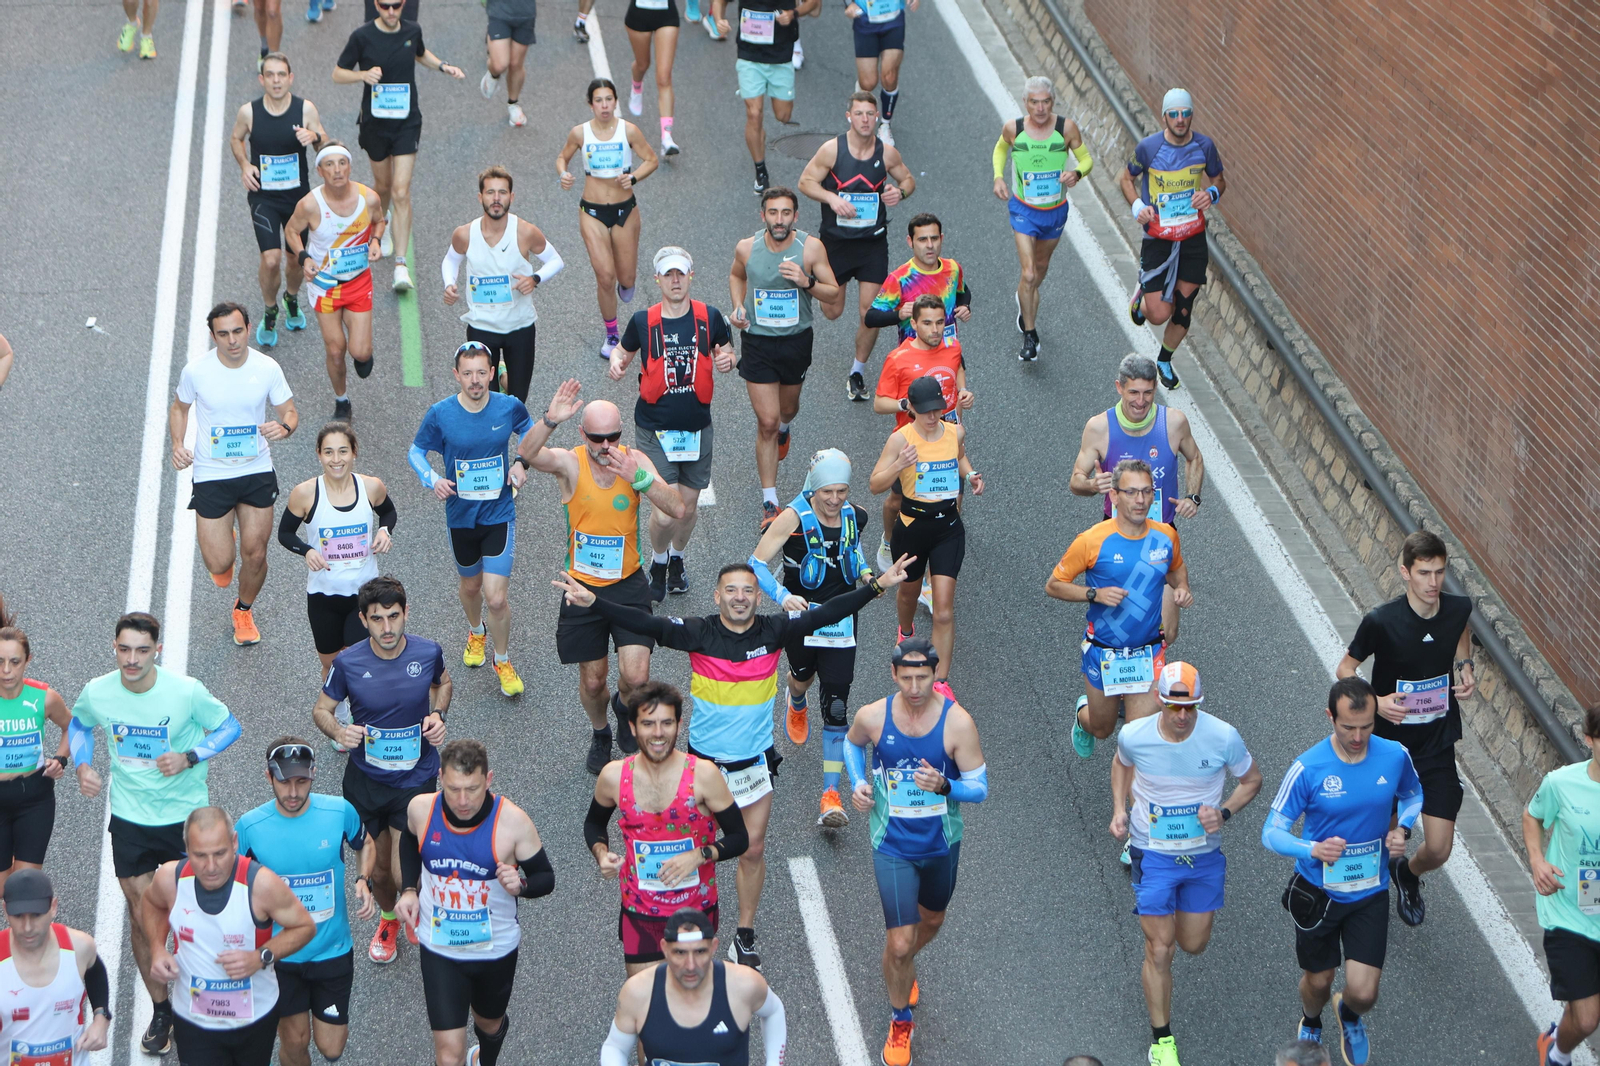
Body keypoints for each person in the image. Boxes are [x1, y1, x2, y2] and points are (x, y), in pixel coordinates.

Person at [555, 554, 915, 971]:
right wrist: (594, 603)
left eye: (747, 590)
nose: (740, 598)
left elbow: (830, 612)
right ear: (717, 596)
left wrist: (879, 584)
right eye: (731, 590)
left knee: (751, 848)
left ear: (758, 596)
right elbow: (647, 624)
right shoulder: (697, 632)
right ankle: (679, 920)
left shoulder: (776, 629)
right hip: (703, 767)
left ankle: (743, 934)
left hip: (753, 765)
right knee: (689, 849)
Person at [70, 612, 243, 1056]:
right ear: (114, 647)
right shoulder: (98, 691)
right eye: (124, 649)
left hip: (185, 820)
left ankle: (208, 993)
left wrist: (190, 755)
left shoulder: (185, 692)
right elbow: (79, 724)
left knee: (199, 910)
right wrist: (84, 764)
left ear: (157, 651)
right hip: (130, 819)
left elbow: (229, 727)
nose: (132, 659)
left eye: (142, 651)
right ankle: (163, 1009)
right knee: (143, 918)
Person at [520, 380, 685, 772]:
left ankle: (623, 708)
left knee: (636, 677)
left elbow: (677, 508)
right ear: (583, 434)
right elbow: (527, 454)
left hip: (627, 584)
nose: (606, 445)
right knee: (594, 680)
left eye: (613, 436)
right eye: (598, 437)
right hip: (582, 586)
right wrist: (548, 420)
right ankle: (600, 731)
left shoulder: (634, 461)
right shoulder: (571, 462)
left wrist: (639, 478)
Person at [1262, 676, 1421, 1066]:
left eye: (1366, 727)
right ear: (1330, 717)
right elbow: (1271, 832)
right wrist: (1312, 848)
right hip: (1319, 891)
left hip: (1370, 890)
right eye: (1348, 727)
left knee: (1364, 993)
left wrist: (1402, 829)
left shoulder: (1394, 754)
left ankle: (1347, 1014)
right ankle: (1312, 1020)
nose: (1357, 736)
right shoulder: (1308, 767)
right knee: (1318, 980)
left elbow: (1413, 794)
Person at [844, 637, 987, 1066]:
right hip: (891, 844)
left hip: (941, 842)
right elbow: (852, 744)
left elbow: (980, 788)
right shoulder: (873, 716)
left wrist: (946, 786)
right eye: (905, 677)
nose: (914, 687)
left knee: (932, 921)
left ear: (934, 675)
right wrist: (857, 782)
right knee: (902, 942)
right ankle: (900, 1018)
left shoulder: (957, 724)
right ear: (894, 674)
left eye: (922, 678)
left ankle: (901, 965)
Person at [1110, 662, 1261, 1066]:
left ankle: (1170, 913)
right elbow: (1122, 763)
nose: (1182, 717)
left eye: (1190, 707)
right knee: (1161, 948)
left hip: (1201, 853)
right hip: (1152, 850)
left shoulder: (1223, 736)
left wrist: (1224, 813)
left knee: (1193, 943)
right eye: (1175, 708)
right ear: (1159, 701)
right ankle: (1162, 1040)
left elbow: (1252, 781)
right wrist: (1119, 810)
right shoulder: (1134, 735)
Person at [1335, 529, 1473, 929]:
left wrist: (1464, 668)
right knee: (1385, 837)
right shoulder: (1381, 620)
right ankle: (1366, 901)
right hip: (1387, 747)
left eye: (1440, 573)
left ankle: (1408, 875)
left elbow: (1462, 630)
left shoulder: (1457, 608)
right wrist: (1376, 702)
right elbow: (1345, 669)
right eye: (1425, 573)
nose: (1434, 583)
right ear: (1405, 572)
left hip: (1435, 744)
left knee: (1439, 847)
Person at [312, 576, 451, 965]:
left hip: (415, 777)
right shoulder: (348, 662)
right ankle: (389, 917)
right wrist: (340, 730)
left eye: (394, 616)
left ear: (406, 613)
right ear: (363, 620)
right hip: (366, 782)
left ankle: (415, 903)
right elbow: (320, 710)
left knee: (401, 866)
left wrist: (438, 714)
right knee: (380, 875)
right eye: (377, 619)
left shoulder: (427, 653)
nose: (387, 628)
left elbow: (444, 684)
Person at [396, 740, 554, 1066]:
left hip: (494, 949)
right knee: (449, 1055)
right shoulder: (421, 809)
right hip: (440, 947)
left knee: (489, 1025)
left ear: (489, 779)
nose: (463, 800)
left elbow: (545, 877)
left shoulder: (513, 822)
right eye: (454, 789)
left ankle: (486, 1059)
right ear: (440, 777)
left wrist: (521, 885)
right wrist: (409, 890)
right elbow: (410, 840)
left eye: (473, 788)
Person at [585, 682, 749, 972]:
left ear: (679, 725)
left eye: (666, 723)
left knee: (690, 1004)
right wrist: (601, 853)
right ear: (633, 727)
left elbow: (739, 838)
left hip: (695, 909)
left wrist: (699, 855)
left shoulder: (703, 775)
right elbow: (594, 824)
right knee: (647, 1005)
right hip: (639, 910)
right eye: (648, 723)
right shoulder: (614, 777)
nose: (658, 733)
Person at [749, 448, 875, 827]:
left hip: (842, 622)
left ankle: (830, 794)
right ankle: (797, 697)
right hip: (802, 619)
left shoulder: (855, 514)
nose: (835, 500)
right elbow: (756, 564)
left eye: (842, 491)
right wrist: (782, 597)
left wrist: (867, 573)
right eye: (827, 493)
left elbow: (852, 548)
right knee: (802, 676)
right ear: (814, 489)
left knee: (837, 707)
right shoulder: (792, 519)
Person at [236, 739, 377, 1066]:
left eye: (302, 781)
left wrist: (363, 879)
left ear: (313, 775)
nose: (294, 792)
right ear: (269, 777)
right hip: (281, 955)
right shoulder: (249, 827)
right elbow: (230, 882)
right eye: (284, 782)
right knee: (295, 1041)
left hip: (333, 950)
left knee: (332, 1048)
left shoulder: (339, 812)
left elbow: (365, 843)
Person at [140, 807, 316, 1066]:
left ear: (234, 843)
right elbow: (151, 903)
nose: (211, 867)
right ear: (187, 848)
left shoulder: (261, 884)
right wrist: (157, 947)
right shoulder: (171, 878)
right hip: (194, 1021)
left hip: (254, 1018)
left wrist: (261, 957)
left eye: (220, 854)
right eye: (200, 856)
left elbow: (304, 927)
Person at [610, 246, 736, 600]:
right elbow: (623, 350)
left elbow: (727, 350)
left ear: (690, 276)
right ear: (658, 280)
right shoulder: (642, 321)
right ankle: (659, 560)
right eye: (669, 275)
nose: (676, 280)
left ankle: (677, 560)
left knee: (689, 508)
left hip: (697, 429)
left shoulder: (709, 317)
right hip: (654, 430)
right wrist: (618, 362)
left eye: (681, 273)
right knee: (666, 513)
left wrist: (727, 359)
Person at [1046, 458, 1193, 759]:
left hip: (1149, 651)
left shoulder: (1166, 535)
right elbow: (1054, 584)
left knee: (1139, 743)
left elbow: (1176, 569)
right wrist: (1094, 593)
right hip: (1104, 651)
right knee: (1103, 728)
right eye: (1131, 492)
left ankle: (1129, 807)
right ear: (1114, 496)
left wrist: (1182, 589)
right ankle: (1082, 717)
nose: (1140, 500)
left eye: (1146, 492)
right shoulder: (1091, 540)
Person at [170, 301, 298, 647]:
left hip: (256, 468)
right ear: (213, 336)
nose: (232, 340)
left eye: (238, 331)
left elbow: (289, 410)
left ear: (247, 328)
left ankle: (243, 610)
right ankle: (225, 543)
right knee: (219, 566)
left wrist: (284, 427)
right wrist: (177, 444)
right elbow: (179, 408)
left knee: (256, 553)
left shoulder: (266, 367)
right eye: (223, 334)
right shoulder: (196, 371)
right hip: (212, 472)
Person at [410, 343, 535, 694]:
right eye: (468, 373)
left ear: (492, 373)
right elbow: (416, 451)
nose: (475, 380)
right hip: (461, 516)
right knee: (471, 587)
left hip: (499, 512)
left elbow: (529, 431)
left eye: (482, 372)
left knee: (496, 597)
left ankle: (503, 659)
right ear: (456, 376)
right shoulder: (441, 413)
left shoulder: (509, 406)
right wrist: (432, 478)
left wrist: (521, 463)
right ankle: (476, 631)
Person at [1070, 352, 1204, 645]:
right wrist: (1093, 485)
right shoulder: (1099, 428)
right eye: (1133, 392)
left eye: (1148, 393)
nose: (1141, 401)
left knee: (1166, 633)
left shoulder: (1173, 423)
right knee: (1117, 629)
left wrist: (1192, 497)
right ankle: (1104, 682)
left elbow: (1194, 459)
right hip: (1115, 537)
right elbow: (1076, 480)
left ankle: (1144, 685)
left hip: (1161, 536)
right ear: (1119, 387)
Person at [728, 187, 844, 526]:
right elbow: (737, 275)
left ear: (796, 216)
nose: (780, 220)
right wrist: (738, 305)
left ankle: (784, 429)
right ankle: (770, 502)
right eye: (773, 213)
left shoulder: (810, 248)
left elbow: (833, 291)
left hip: (795, 342)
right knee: (766, 421)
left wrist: (806, 282)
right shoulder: (747, 248)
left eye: (786, 213)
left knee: (787, 410)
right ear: (762, 216)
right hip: (757, 343)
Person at [334, 1, 466, 293]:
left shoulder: (412, 30)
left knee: (401, 190)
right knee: (382, 186)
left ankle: (401, 266)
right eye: (384, 5)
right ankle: (383, 221)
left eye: (396, 5)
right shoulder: (362, 36)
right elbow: (338, 72)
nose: (391, 11)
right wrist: (362, 75)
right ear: (376, 5)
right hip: (375, 124)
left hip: (407, 121)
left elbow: (420, 53)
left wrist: (443, 66)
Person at [798, 91, 915, 401]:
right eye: (859, 113)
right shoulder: (831, 150)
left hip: (871, 244)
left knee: (870, 312)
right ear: (848, 116)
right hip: (835, 244)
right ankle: (810, 283)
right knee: (833, 310)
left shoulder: (886, 153)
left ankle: (857, 372)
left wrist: (898, 194)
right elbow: (805, 182)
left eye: (870, 114)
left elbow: (908, 181)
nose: (865, 119)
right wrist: (831, 197)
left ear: (877, 118)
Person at [868, 376, 982, 693]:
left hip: (948, 527)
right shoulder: (900, 440)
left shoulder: (954, 431)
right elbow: (875, 484)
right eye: (927, 412)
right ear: (913, 410)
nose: (933, 418)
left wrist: (970, 474)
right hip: (912, 526)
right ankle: (905, 631)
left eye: (938, 410)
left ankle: (941, 681)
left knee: (944, 609)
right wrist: (899, 465)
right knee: (908, 593)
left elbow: (958, 456)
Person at [279, 422, 396, 706]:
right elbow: (284, 533)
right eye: (329, 452)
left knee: (359, 663)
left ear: (354, 452)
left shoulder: (371, 487)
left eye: (343, 451)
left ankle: (361, 714)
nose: (336, 459)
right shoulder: (305, 494)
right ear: (319, 454)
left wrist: (384, 531)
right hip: (323, 596)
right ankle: (339, 715)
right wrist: (306, 551)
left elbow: (388, 513)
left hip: (364, 596)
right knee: (331, 665)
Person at [1118, 87, 1226, 391]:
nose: (1180, 119)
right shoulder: (1148, 148)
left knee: (1183, 307)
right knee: (1158, 314)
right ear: (1164, 116)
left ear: (1191, 114)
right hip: (1159, 237)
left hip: (1192, 236)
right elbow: (1126, 178)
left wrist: (1211, 194)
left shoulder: (1205, 147)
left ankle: (1164, 360)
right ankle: (1142, 300)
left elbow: (1220, 179)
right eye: (1174, 114)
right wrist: (1138, 206)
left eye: (1185, 113)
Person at [600, 908, 787, 1066]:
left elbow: (774, 1011)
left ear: (714, 947)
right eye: (680, 953)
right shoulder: (638, 992)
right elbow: (615, 1047)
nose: (690, 965)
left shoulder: (743, 984)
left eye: (700, 952)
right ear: (665, 948)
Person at [442, 166, 564, 404]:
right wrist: (449, 284)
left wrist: (535, 279)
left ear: (512, 197)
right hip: (481, 325)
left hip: (519, 326)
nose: (496, 199)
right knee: (486, 399)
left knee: (517, 401)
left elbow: (555, 260)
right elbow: (451, 259)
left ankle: (502, 374)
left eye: (502, 192)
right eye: (490, 192)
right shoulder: (465, 234)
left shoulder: (525, 232)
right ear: (480, 197)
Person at [558, 79, 661, 359]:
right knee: (605, 276)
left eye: (608, 99)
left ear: (615, 102)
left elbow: (651, 159)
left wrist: (634, 177)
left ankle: (626, 284)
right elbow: (562, 158)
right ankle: (612, 333)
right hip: (591, 210)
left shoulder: (629, 130)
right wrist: (564, 174)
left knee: (625, 278)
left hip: (625, 209)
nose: (604, 105)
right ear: (590, 104)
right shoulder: (580, 133)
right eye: (598, 100)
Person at [991, 75, 1091, 362]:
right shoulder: (1014, 128)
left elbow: (1086, 160)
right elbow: (1000, 149)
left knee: (1041, 267)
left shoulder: (1065, 128)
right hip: (1023, 210)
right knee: (1030, 273)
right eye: (1034, 102)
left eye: (1045, 102)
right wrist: (999, 176)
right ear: (1026, 102)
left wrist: (1076, 173)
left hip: (1055, 212)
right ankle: (1030, 336)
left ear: (1052, 102)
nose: (1040, 108)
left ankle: (1024, 294)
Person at [230, 53, 327, 348]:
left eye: (281, 75)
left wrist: (314, 136)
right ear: (262, 79)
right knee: (271, 259)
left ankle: (291, 298)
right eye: (269, 75)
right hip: (264, 198)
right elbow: (236, 138)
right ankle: (270, 309)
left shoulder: (305, 108)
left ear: (290, 78)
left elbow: (325, 142)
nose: (275, 80)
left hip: (299, 199)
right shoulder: (250, 112)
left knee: (295, 259)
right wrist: (245, 165)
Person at [871, 296, 972, 575]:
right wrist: (906, 405)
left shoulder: (953, 348)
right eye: (927, 323)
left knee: (951, 501)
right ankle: (888, 539)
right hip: (911, 444)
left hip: (947, 438)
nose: (936, 329)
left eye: (940, 322)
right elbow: (880, 403)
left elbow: (957, 370)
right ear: (913, 324)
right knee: (896, 501)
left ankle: (933, 574)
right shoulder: (898, 358)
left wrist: (963, 390)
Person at [285, 144, 386, 420]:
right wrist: (304, 257)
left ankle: (364, 355)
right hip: (325, 285)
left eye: (342, 163)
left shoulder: (369, 198)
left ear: (350, 167)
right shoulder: (310, 204)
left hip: (357, 281)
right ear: (319, 171)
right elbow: (291, 231)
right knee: (335, 349)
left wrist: (375, 240)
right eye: (329, 165)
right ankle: (342, 400)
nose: (337, 169)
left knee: (360, 352)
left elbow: (380, 221)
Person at [1525, 706, 1600, 1066]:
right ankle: (1557, 1051)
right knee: (1587, 1018)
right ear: (1589, 740)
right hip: (1569, 913)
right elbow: (1533, 816)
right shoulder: (1561, 783)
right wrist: (1538, 861)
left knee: (1584, 1008)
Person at [0, 600, 73, 899]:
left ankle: (23, 942)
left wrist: (61, 759)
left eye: (14, 662)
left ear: (28, 660)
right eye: (0, 661)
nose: (6, 670)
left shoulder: (44, 698)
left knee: (24, 886)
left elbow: (73, 727)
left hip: (35, 798)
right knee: (4, 889)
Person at [0, 870, 113, 1058]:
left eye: (36, 915)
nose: (27, 927)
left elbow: (95, 971)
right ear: (5, 911)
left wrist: (101, 1018)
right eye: (18, 916)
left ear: (53, 907)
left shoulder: (80, 947)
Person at [711, 0, 816, 192]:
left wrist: (794, 13)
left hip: (781, 56)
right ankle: (760, 171)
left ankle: (758, 134)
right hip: (749, 55)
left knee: (783, 115)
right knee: (754, 114)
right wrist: (719, 19)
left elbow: (813, 4)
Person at [864, 212, 972, 349]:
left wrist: (965, 306)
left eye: (934, 238)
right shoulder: (900, 278)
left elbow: (962, 291)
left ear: (941, 238)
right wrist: (899, 315)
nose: (930, 245)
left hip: (949, 352)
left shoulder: (953, 268)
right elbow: (870, 318)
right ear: (910, 242)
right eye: (922, 240)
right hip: (914, 360)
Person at [844, 0, 915, 144]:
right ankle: (861, 100)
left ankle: (885, 124)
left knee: (889, 77)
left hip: (893, 21)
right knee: (868, 83)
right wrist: (849, 4)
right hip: (865, 22)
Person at [622, 0, 683, 156]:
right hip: (639, 14)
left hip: (666, 15)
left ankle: (667, 138)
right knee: (642, 64)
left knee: (664, 77)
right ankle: (636, 87)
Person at [480, 0, 538, 127]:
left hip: (525, 13)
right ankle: (493, 74)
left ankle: (513, 104)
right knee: (500, 64)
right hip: (499, 10)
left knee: (515, 64)